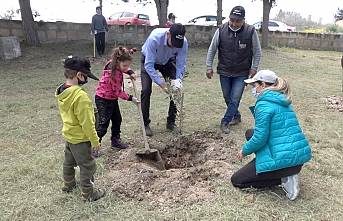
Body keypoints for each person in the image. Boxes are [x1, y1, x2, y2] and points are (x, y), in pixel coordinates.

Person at [230, 70, 312, 200]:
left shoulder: (264, 104)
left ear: (263, 84)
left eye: (254, 85)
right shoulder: (281, 100)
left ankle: (282, 179)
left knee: (238, 180)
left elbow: (260, 138)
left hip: (286, 159)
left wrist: (244, 151)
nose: (254, 89)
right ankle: (284, 172)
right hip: (297, 158)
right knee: (250, 132)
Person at [55, 55, 106, 202]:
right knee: (88, 165)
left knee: (68, 162)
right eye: (86, 76)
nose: (87, 79)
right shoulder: (80, 97)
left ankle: (68, 184)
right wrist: (95, 141)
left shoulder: (63, 91)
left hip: (69, 136)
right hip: (81, 139)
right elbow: (87, 124)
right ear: (79, 75)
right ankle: (88, 193)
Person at [206, 6, 262, 134]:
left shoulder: (250, 31)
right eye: (232, 20)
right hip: (224, 70)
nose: (234, 23)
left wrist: (254, 68)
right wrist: (209, 66)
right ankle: (236, 115)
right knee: (227, 97)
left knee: (235, 98)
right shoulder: (221, 30)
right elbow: (212, 49)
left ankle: (225, 121)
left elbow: (257, 52)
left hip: (242, 72)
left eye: (237, 21)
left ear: (243, 20)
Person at [140, 23, 188, 137]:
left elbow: (181, 65)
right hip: (149, 61)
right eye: (173, 43)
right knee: (146, 90)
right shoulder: (154, 38)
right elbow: (149, 66)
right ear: (168, 34)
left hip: (167, 62)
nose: (174, 47)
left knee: (176, 90)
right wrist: (162, 84)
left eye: (177, 45)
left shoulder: (183, 43)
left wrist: (177, 82)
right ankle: (145, 124)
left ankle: (171, 122)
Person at [94, 46, 140, 157]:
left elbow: (123, 69)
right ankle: (94, 146)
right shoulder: (113, 74)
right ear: (118, 61)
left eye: (128, 66)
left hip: (111, 99)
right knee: (103, 124)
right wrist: (132, 99)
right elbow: (118, 92)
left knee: (117, 119)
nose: (126, 68)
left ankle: (115, 141)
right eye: (125, 66)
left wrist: (130, 72)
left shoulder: (115, 64)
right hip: (103, 99)